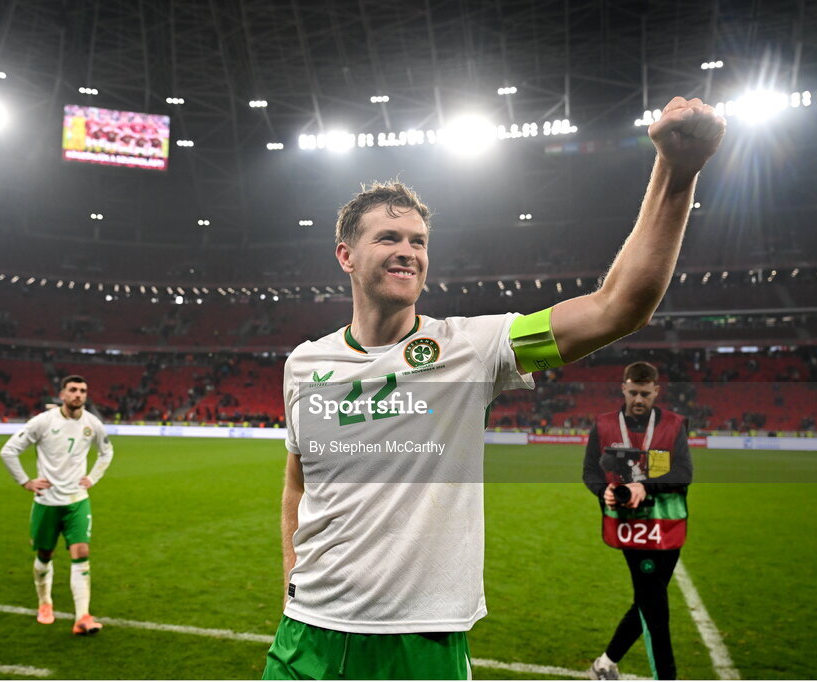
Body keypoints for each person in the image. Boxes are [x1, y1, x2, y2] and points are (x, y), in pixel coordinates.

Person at [263, 96, 725, 679]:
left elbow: (618, 307)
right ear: (345, 255)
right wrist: (291, 586)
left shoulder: (473, 347)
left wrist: (677, 172)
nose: (409, 251)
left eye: (419, 240)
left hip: (420, 644)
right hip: (305, 639)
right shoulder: (304, 364)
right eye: (388, 238)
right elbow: (297, 483)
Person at [583, 361, 693, 680]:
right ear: (623, 388)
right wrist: (603, 491)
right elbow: (590, 471)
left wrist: (644, 486)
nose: (638, 400)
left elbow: (684, 474)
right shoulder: (603, 425)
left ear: (656, 391)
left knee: (647, 600)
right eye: (633, 392)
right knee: (657, 609)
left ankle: (605, 663)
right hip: (631, 527)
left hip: (668, 525)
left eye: (645, 393)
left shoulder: (674, 424)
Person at [0, 375, 114, 635]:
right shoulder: (43, 422)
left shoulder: (92, 423)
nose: (78, 395)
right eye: (73, 390)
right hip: (47, 501)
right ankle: (45, 602)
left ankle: (82, 616)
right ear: (62, 394)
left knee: (81, 552)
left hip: (77, 501)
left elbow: (107, 451)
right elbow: (8, 451)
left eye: (83, 391)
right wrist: (25, 482)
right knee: (45, 555)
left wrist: (93, 477)